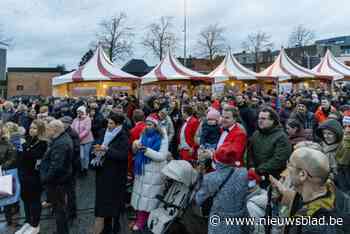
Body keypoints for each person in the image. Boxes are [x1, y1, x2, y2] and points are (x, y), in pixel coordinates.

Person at [270, 147, 338, 234]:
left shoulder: (316, 227)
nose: (287, 169)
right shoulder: (329, 190)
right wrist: (284, 192)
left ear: (302, 175)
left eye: (290, 164)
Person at [195, 144, 249, 234]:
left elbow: (198, 199)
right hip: (239, 222)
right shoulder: (244, 173)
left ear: (217, 161)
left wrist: (200, 174)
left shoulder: (209, 178)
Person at [130, 114, 169, 231]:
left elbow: (162, 156)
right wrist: (136, 144)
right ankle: (139, 219)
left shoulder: (162, 137)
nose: (147, 126)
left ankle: (143, 222)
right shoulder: (144, 133)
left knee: (149, 199)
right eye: (146, 124)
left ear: (156, 125)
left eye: (150, 124)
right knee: (141, 196)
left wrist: (147, 150)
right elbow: (136, 147)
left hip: (155, 172)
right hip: (142, 169)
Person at [93, 113, 129, 234]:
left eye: (111, 123)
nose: (108, 125)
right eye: (108, 122)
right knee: (104, 201)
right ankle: (106, 226)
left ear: (118, 124)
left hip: (116, 175)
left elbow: (123, 155)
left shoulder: (123, 136)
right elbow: (97, 142)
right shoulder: (104, 132)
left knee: (114, 201)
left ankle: (116, 226)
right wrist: (96, 149)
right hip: (103, 172)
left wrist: (106, 150)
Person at [40, 120, 73, 234]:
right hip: (59, 180)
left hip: (58, 182)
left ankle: (62, 232)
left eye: (48, 129)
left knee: (59, 209)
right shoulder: (60, 139)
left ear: (55, 130)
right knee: (59, 208)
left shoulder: (61, 143)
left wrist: (45, 179)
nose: (47, 131)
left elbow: (56, 167)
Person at [16, 120, 47, 234]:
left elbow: (32, 157)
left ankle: (35, 224)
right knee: (25, 200)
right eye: (31, 127)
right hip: (24, 175)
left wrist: (23, 148)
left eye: (34, 128)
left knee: (34, 201)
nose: (31, 130)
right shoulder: (28, 139)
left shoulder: (43, 143)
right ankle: (28, 222)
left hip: (34, 177)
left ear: (40, 130)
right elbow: (21, 157)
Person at [248, 107, 292, 188]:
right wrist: (251, 166)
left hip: (272, 179)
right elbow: (250, 152)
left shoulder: (281, 137)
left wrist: (259, 170)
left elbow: (279, 159)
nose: (260, 121)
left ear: (272, 121)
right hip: (255, 175)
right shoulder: (256, 134)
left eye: (263, 118)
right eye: (259, 118)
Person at [61, 116, 81, 221]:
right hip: (67, 167)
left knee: (70, 191)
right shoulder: (64, 133)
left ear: (69, 124)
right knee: (65, 190)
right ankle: (67, 210)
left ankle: (72, 212)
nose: (62, 124)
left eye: (64, 122)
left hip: (71, 166)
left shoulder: (72, 134)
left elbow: (76, 150)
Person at [0, 121, 19, 229]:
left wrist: (3, 166)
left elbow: (12, 158)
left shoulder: (8, 143)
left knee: (6, 196)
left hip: (4, 172)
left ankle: (10, 220)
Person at [71, 105, 94, 176]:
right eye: (78, 112)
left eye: (80, 112)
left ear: (83, 112)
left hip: (87, 140)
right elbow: (72, 128)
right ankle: (81, 168)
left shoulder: (87, 119)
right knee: (81, 156)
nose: (79, 113)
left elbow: (87, 130)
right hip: (79, 141)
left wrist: (78, 137)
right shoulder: (75, 119)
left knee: (86, 155)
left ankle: (85, 169)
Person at [334, 115, 350, 193]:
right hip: (342, 168)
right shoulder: (342, 141)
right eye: (344, 127)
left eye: (349, 127)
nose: (347, 129)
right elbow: (337, 155)